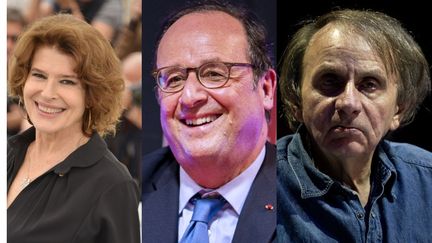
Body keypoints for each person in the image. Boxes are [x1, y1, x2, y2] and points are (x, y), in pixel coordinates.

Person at [277, 9, 432, 242]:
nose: (348, 103)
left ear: (398, 108)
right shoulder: (260, 184)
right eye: (330, 81)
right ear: (295, 100)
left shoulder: (426, 178)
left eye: (369, 84)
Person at [141, 1, 277, 242]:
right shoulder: (127, 191)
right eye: (174, 79)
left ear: (266, 89)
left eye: (214, 74)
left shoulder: (302, 200)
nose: (190, 97)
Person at [7, 14, 140, 243]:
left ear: (92, 95)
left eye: (67, 81)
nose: (48, 93)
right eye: (39, 75)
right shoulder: (7, 151)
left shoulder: (113, 185)